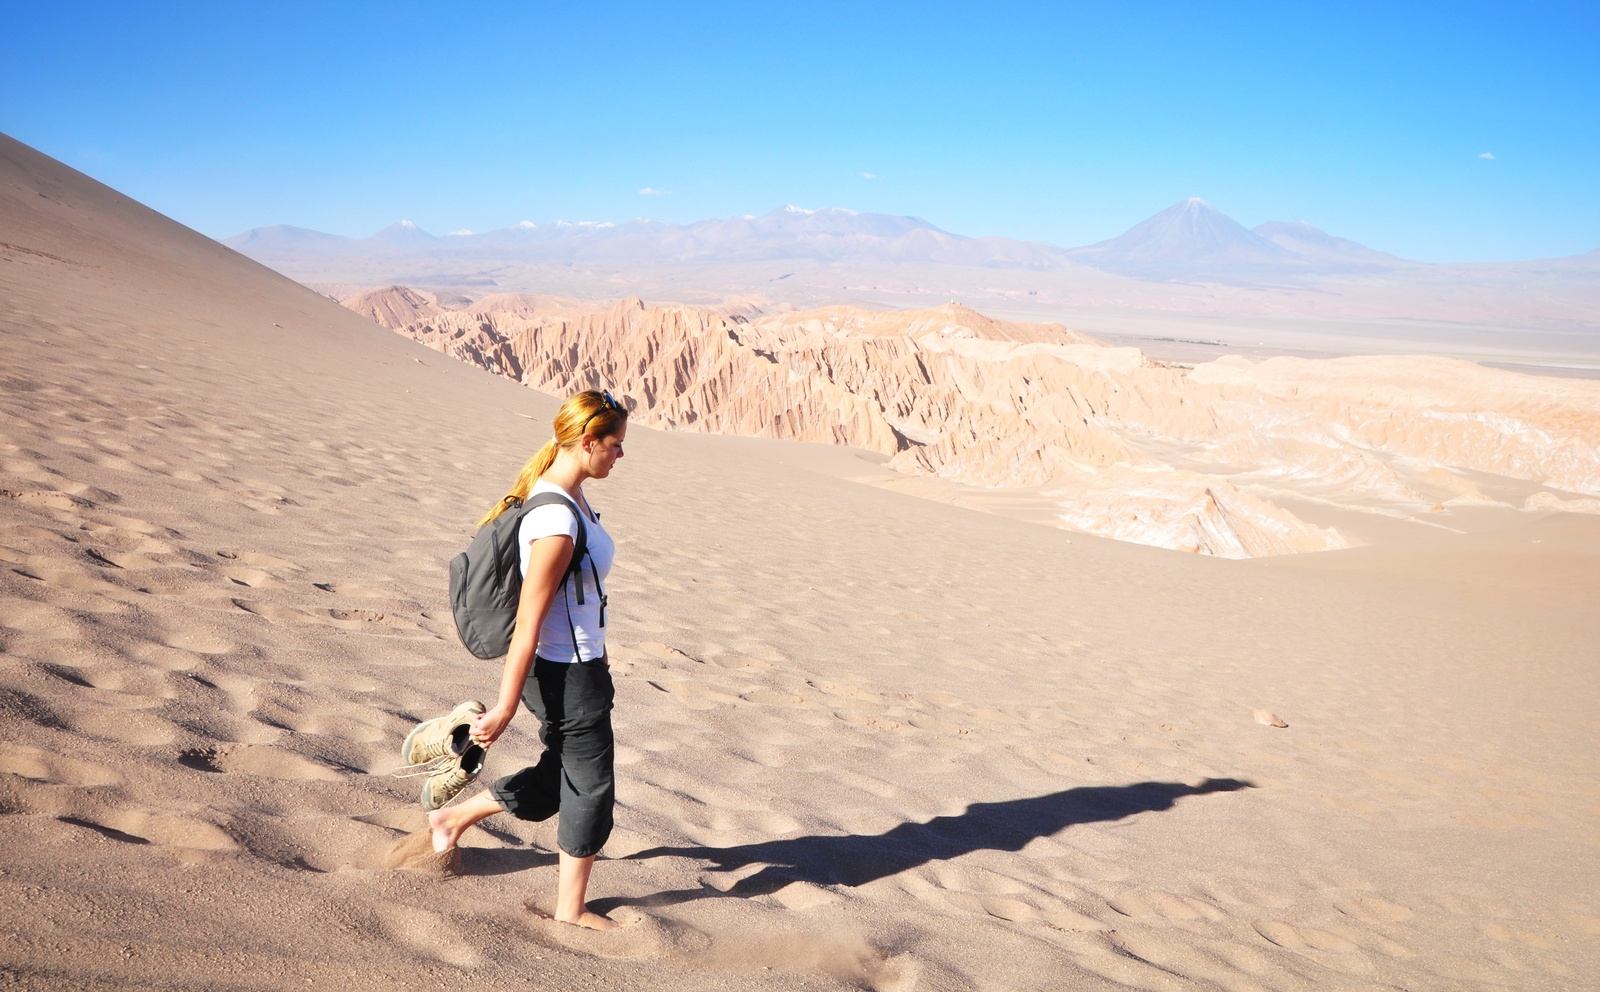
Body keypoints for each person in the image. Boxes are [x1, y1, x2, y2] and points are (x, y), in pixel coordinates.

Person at [428, 389, 628, 931]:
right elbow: (529, 621)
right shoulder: (557, 523)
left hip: (581, 666)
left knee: (558, 773)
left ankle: (454, 817)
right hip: (565, 670)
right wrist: (505, 705)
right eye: (614, 445)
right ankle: (570, 909)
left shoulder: (569, 496)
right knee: (592, 786)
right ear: (588, 443)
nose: (619, 455)